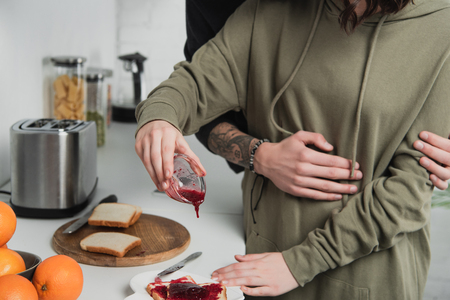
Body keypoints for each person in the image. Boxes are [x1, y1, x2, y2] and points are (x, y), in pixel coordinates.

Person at [135, 0, 450, 298]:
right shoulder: (269, 10)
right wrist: (160, 117)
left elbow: (407, 189)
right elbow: (195, 83)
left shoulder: (441, 29)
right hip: (258, 264)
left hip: (366, 279)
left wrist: (298, 264)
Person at [184, 0, 450, 200]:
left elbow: (406, 188)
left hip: (379, 229)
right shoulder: (218, 5)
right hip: (268, 212)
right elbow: (202, 103)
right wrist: (261, 156)